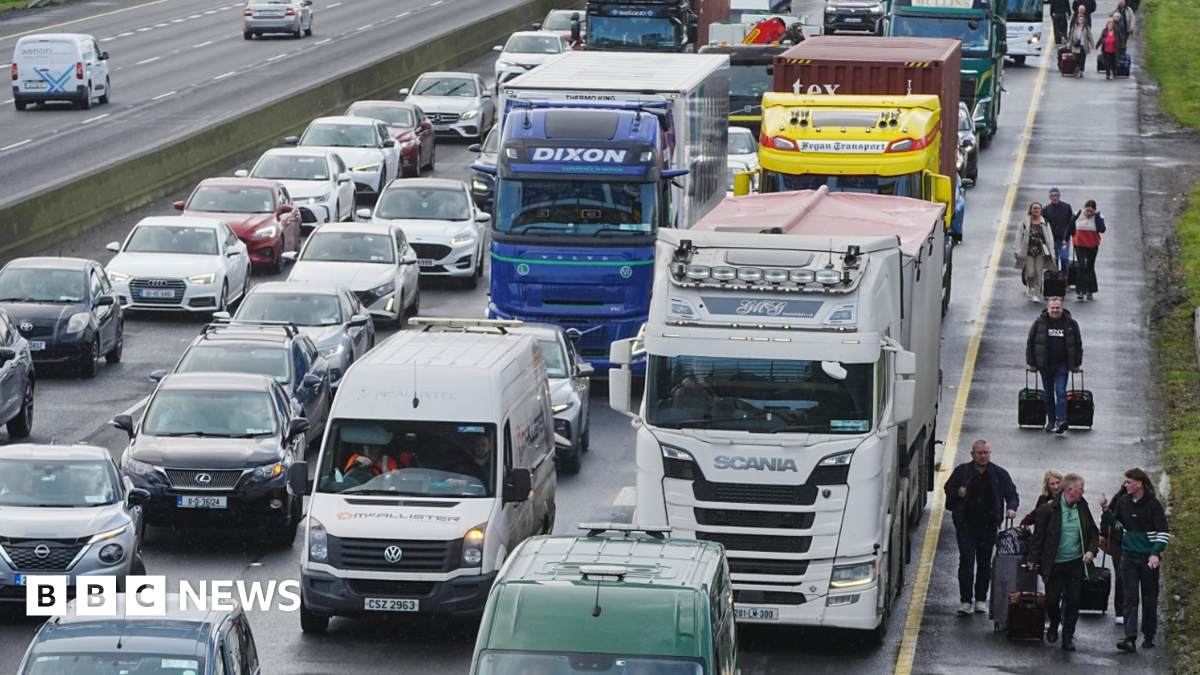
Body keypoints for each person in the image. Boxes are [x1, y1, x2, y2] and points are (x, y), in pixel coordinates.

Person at [943, 440, 1019, 616]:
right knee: (967, 562)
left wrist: (1011, 508)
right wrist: (958, 492)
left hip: (988, 527)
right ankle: (965, 600)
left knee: (985, 564)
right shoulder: (962, 471)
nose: (983, 456)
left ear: (990, 454)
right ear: (972, 454)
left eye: (986, 453)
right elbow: (948, 487)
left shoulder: (999, 473)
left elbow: (1011, 493)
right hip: (966, 526)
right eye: (979, 453)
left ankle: (980, 599)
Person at [1100, 468, 1170, 652]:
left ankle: (1149, 635)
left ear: (1139, 484)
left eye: (1129, 482)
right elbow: (1117, 525)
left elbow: (1163, 533)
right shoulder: (1123, 502)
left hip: (1148, 559)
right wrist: (1106, 510)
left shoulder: (1154, 505)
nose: (1125, 485)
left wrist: (1155, 553)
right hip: (1128, 557)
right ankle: (1130, 637)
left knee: (1149, 598)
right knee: (1130, 598)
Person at [1027, 473, 1099, 652]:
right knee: (1052, 600)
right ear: (1070, 490)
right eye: (1081, 488)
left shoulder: (1082, 507)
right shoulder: (1048, 510)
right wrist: (1033, 559)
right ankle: (1054, 622)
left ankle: (1068, 637)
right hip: (1054, 564)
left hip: (1075, 563)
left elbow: (1093, 532)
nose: (1083, 491)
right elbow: (1038, 537)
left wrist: (1091, 551)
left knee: (1073, 601)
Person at [1026, 297, 1084, 434]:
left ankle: (1061, 421)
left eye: (1057, 308)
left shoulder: (1071, 324)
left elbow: (1077, 345)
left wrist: (1076, 364)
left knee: (1061, 392)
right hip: (1044, 365)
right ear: (1048, 308)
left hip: (1062, 365)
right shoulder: (1039, 323)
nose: (1055, 310)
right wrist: (1032, 363)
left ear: (1062, 308)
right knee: (1048, 394)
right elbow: (1031, 343)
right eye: (1052, 308)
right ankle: (1051, 420)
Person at [1014, 202, 1056, 302]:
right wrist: (1017, 250)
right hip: (1028, 251)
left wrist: (1052, 253)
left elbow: (1050, 239)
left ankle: (1036, 294)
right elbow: (1018, 237)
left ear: (1041, 211)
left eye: (1038, 208)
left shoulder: (1045, 222)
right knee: (1030, 273)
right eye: (1034, 208)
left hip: (1040, 252)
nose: (1036, 210)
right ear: (1031, 210)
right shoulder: (1024, 222)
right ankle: (1030, 285)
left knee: (1038, 273)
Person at [1099, 483, 1129, 625]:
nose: (1127, 484)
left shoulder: (1149, 500)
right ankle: (1120, 611)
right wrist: (1103, 533)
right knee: (1121, 574)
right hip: (1118, 541)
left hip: (1138, 543)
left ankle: (1130, 609)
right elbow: (1107, 515)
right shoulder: (1119, 497)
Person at [1071, 200, 1106, 299]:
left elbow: (1102, 229)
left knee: (1090, 266)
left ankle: (1090, 290)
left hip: (1092, 245)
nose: (1089, 213)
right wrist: (1065, 239)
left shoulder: (1098, 216)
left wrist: (1097, 216)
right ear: (1084, 209)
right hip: (1079, 244)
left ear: (1095, 210)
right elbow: (1070, 226)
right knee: (1081, 265)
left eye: (1091, 211)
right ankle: (1080, 291)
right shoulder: (1078, 214)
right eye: (1087, 211)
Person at [1043, 188, 1075, 274]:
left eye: (1056, 195)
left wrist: (1073, 234)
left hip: (1064, 239)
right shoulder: (1046, 209)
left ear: (1059, 196)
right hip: (1051, 239)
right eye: (1052, 196)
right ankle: (1055, 275)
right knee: (1054, 258)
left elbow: (1071, 222)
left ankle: (1065, 274)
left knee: (1064, 257)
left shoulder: (1066, 207)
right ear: (1050, 197)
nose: (1054, 197)